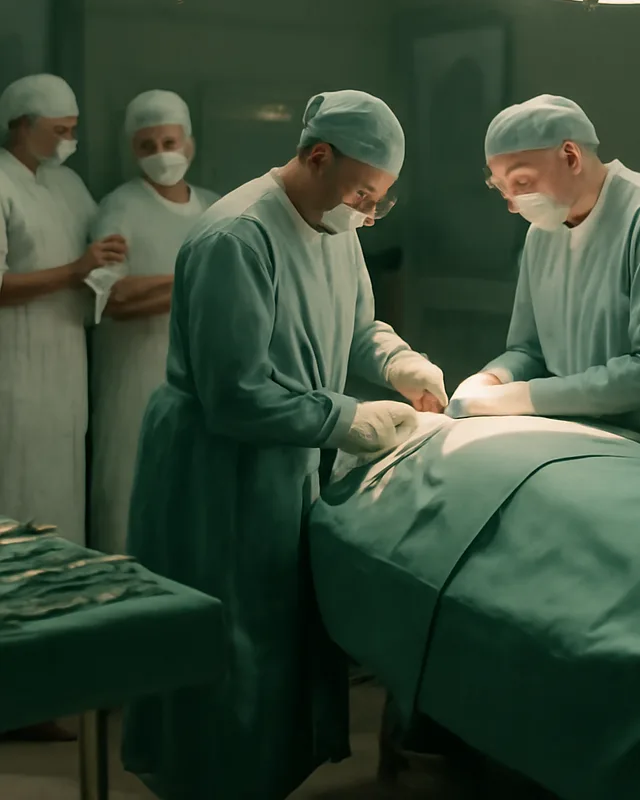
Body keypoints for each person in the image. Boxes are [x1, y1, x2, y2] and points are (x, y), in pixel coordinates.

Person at [121, 89, 448, 800]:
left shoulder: (338, 228)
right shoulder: (236, 235)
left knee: (279, 637)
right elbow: (234, 392)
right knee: (228, 644)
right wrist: (345, 419)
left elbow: (359, 326)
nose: (367, 211)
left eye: (379, 201)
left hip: (289, 456)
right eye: (363, 192)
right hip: (217, 466)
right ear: (316, 156)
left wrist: (399, 362)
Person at [446, 94, 640, 430]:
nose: (513, 204)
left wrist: (521, 397)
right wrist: (492, 379)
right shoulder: (542, 233)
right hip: (584, 432)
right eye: (501, 189)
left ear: (571, 157)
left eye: (522, 182)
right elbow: (530, 351)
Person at [0, 73, 127, 744]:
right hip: (12, 379)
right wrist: (75, 271)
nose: (72, 141)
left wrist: (108, 261)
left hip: (66, 376)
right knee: (14, 515)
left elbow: (91, 257)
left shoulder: (69, 187)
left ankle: (46, 685)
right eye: (61, 130)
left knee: (55, 518)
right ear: (23, 124)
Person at [87, 90, 219, 555]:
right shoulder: (119, 208)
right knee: (128, 492)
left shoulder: (214, 210)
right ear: (132, 151)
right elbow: (111, 297)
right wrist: (193, 279)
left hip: (199, 381)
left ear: (190, 144)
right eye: (148, 145)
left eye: (170, 141)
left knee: (194, 501)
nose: (162, 154)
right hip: (133, 378)